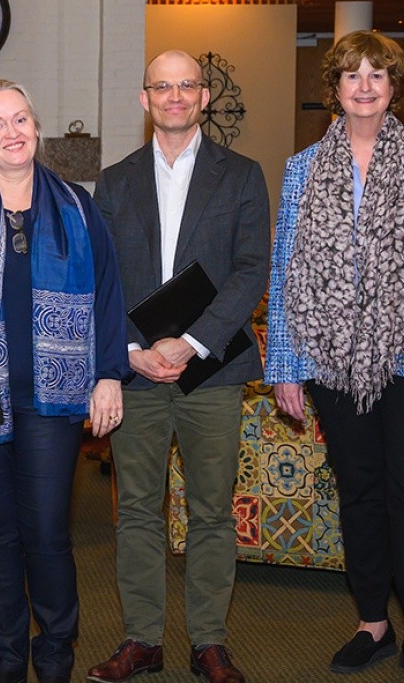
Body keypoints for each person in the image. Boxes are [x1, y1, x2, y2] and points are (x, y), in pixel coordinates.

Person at [267, 31, 404, 683]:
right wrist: (285, 365)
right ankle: (372, 624)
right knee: (361, 492)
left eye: (379, 74)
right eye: (353, 75)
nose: (366, 85)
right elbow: (284, 270)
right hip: (332, 359)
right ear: (335, 89)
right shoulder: (301, 169)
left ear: (396, 86)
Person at [89, 51, 269, 683]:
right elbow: (100, 277)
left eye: (185, 85)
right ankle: (142, 639)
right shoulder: (113, 182)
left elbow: (252, 270)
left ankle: (209, 643)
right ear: (145, 99)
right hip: (137, 370)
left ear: (202, 97)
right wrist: (131, 350)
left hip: (211, 370)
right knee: (138, 509)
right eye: (161, 86)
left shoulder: (242, 175)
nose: (174, 96)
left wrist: (190, 342)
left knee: (212, 512)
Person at [0, 80, 131, 683]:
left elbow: (110, 293)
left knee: (48, 532)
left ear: (37, 125)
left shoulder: (79, 209)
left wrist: (109, 374)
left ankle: (55, 652)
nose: (13, 132)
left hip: (55, 401)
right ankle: (5, 658)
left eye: (21, 118)